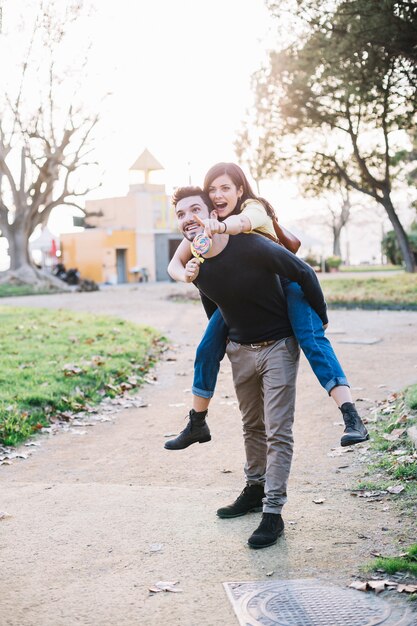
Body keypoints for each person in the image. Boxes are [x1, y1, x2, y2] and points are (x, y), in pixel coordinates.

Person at [168, 185, 330, 548]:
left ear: (214, 213)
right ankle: (254, 490)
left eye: (195, 209)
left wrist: (319, 321)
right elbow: (214, 302)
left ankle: (273, 512)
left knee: (278, 430)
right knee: (251, 425)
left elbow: (302, 272)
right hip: (241, 349)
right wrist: (225, 341)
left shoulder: (251, 244)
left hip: (278, 346)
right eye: (180, 214)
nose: (187, 218)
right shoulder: (199, 256)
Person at [166, 163, 368, 451]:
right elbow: (178, 260)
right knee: (207, 347)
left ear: (239, 189)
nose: (218, 194)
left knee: (312, 340)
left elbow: (243, 224)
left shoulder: (252, 208)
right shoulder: (207, 226)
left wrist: (321, 316)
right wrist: (186, 276)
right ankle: (197, 422)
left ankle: (351, 416)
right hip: (247, 294)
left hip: (285, 283)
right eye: (212, 189)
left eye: (225, 188)